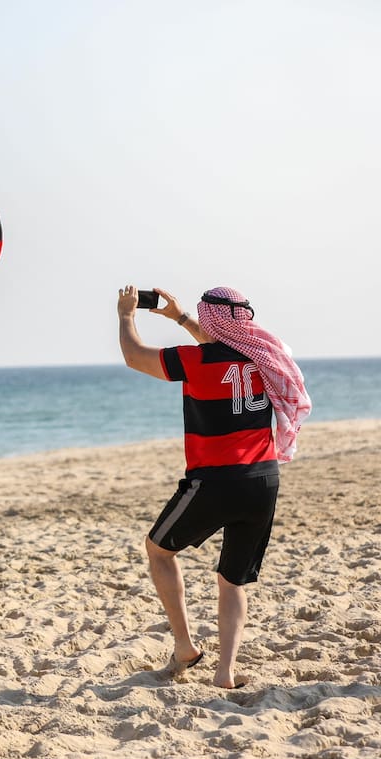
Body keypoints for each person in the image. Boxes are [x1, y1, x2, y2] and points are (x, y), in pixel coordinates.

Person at [117, 285, 311, 689]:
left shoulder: (196, 360)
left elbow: (135, 356)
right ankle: (224, 672)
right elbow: (227, 346)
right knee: (232, 580)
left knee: (158, 551)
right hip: (264, 480)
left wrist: (125, 315)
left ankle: (185, 646)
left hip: (215, 481)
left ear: (211, 321)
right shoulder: (269, 358)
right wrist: (180, 318)